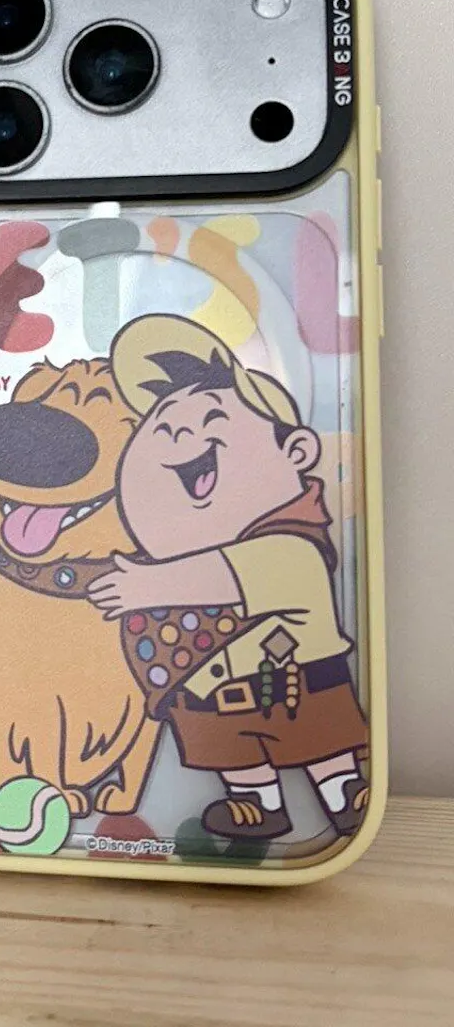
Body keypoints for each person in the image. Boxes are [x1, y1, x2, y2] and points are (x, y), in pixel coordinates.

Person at [91, 313, 369, 842]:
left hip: (295, 681)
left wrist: (148, 587)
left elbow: (230, 574)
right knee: (229, 748)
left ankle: (340, 788)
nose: (178, 432)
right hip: (211, 699)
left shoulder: (294, 546)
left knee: (319, 739)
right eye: (163, 424)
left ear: (296, 452)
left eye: (209, 417)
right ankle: (256, 801)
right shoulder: (159, 555)